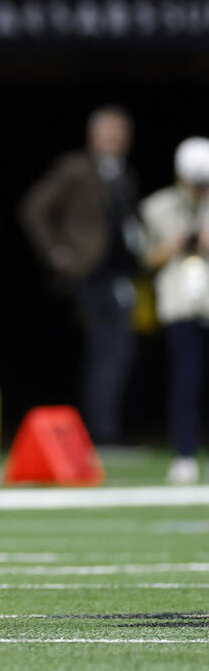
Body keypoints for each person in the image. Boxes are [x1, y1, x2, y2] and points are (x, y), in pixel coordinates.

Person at [20, 106, 141, 446]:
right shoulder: (76, 167)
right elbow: (34, 208)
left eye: (121, 132)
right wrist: (58, 252)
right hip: (91, 274)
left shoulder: (123, 173)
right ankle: (101, 433)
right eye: (110, 131)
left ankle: (109, 428)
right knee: (104, 352)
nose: (116, 138)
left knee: (120, 352)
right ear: (93, 136)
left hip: (121, 276)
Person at [139, 137, 209, 485]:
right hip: (180, 304)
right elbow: (146, 259)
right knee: (187, 381)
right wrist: (177, 243)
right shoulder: (158, 207)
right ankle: (184, 454)